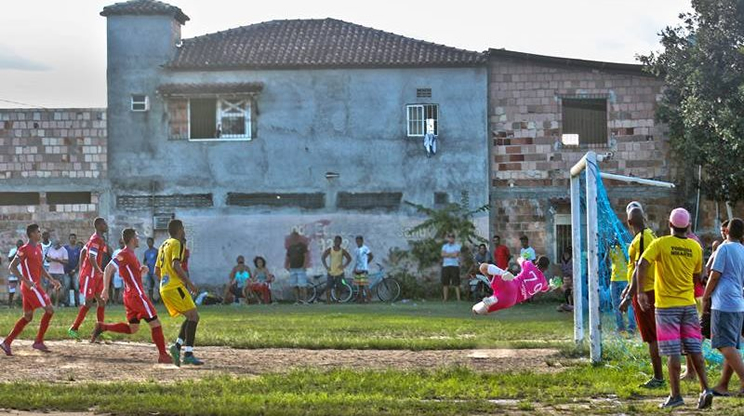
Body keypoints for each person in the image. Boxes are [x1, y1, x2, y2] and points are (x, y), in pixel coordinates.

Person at [637, 208, 713, 410]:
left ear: (670, 225)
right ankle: (706, 389)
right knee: (695, 349)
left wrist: (640, 292)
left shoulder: (660, 243)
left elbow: (642, 264)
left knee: (673, 353)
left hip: (666, 307)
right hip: (688, 305)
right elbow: (700, 274)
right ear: (688, 227)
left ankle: (676, 395)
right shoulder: (695, 247)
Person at [91, 228, 171, 364]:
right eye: (137, 236)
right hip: (137, 296)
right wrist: (105, 289)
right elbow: (109, 268)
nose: (138, 239)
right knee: (155, 323)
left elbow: (130, 275)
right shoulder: (125, 253)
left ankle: (103, 327)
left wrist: (141, 271)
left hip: (129, 296)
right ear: (133, 239)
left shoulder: (131, 254)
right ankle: (163, 355)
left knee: (133, 328)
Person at [619, 206, 664, 389]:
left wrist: (631, 295)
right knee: (651, 335)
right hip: (643, 289)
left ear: (629, 222)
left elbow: (641, 268)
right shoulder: (643, 237)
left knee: (651, 336)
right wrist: (629, 288)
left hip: (646, 292)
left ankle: (659, 378)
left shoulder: (644, 238)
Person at [1, 224, 62, 355]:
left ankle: (7, 342)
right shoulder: (25, 249)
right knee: (50, 310)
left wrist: (52, 280)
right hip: (31, 287)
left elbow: (40, 268)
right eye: (38, 232)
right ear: (32, 234)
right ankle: (38, 341)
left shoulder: (39, 248)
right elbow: (12, 267)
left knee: (28, 317)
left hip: (34, 286)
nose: (40, 234)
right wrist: (25, 280)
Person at [703, 217, 744, 397]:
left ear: (726, 231)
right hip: (738, 304)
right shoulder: (743, 250)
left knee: (723, 344)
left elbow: (714, 275)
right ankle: (723, 385)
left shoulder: (724, 248)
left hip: (723, 303)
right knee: (732, 345)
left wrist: (705, 297)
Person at [156, 219, 203, 366]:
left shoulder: (163, 245)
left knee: (190, 316)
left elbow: (156, 271)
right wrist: (189, 283)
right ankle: (188, 354)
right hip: (175, 286)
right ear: (179, 229)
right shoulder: (176, 243)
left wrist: (166, 281)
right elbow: (176, 265)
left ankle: (177, 347)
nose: (184, 230)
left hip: (164, 288)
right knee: (194, 316)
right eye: (183, 228)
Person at [68, 217, 109, 340]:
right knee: (88, 302)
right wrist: (96, 270)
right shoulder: (96, 239)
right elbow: (91, 257)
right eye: (104, 224)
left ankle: (98, 331)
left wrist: (82, 269)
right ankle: (73, 329)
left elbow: (83, 252)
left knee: (101, 302)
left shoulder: (97, 238)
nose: (106, 225)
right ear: (98, 226)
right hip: (91, 275)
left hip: (94, 275)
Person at [472, 256, 550, 315]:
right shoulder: (543, 282)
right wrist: (553, 285)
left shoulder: (529, 265)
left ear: (536, 263)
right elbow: (547, 289)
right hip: (511, 299)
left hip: (510, 284)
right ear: (546, 268)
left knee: (483, 267)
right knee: (480, 311)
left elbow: (519, 259)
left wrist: (523, 257)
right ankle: (491, 300)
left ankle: (502, 273)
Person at [608, 242, 635, 334]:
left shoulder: (627, 247)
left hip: (625, 279)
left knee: (630, 304)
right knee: (615, 304)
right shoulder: (612, 248)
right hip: (614, 279)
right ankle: (620, 326)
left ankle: (631, 327)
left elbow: (631, 262)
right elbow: (611, 263)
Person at [321, 236, 352, 304]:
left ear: (341, 242)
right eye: (336, 241)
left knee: (339, 287)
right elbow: (323, 257)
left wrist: (344, 266)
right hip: (331, 272)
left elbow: (349, 258)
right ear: (334, 241)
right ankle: (328, 301)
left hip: (339, 272)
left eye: (338, 241)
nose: (337, 242)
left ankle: (337, 300)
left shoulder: (342, 250)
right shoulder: (330, 249)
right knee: (328, 287)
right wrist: (326, 266)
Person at [285, 231, 309, 304]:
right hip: (293, 268)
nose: (294, 238)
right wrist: (287, 265)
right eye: (292, 237)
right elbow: (288, 257)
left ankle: (305, 301)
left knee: (303, 285)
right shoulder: (290, 247)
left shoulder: (302, 246)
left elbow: (305, 256)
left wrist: (305, 265)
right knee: (294, 285)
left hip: (301, 268)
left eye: (295, 236)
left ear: (298, 237)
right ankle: (297, 301)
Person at [46, 240, 68, 307]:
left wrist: (58, 260)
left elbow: (66, 262)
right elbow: (47, 259)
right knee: (49, 287)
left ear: (59, 244)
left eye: (56, 245)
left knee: (58, 288)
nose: (54, 247)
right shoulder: (50, 249)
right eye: (53, 245)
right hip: (51, 271)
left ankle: (56, 303)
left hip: (59, 272)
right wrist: (50, 259)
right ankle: (48, 303)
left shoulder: (64, 250)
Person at [441, 233, 462, 302]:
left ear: (454, 238)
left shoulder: (457, 246)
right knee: (445, 283)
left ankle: (458, 299)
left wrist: (447, 254)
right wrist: (451, 254)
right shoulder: (445, 246)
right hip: (445, 266)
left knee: (456, 282)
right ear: (448, 238)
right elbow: (442, 254)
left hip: (454, 265)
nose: (451, 239)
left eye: (452, 237)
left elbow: (455, 255)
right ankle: (445, 298)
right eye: (449, 237)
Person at [353, 236, 374, 303]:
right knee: (360, 286)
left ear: (362, 241)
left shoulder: (365, 248)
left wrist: (366, 262)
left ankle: (368, 299)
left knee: (365, 285)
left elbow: (371, 256)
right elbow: (356, 260)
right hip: (358, 269)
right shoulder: (356, 250)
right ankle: (361, 299)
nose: (358, 242)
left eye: (359, 241)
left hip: (363, 269)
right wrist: (354, 268)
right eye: (357, 241)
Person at [64, 233, 81, 307]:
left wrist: (75, 270)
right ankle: (67, 303)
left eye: (74, 238)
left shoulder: (78, 249)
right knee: (66, 287)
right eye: (71, 238)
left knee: (76, 287)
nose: (72, 239)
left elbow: (80, 261)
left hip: (75, 271)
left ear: (75, 239)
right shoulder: (65, 248)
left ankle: (77, 302)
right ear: (69, 239)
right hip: (66, 271)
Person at [7, 239, 23, 308]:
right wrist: (17, 252)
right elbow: (10, 259)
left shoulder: (24, 251)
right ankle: (10, 304)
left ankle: (24, 304)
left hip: (22, 273)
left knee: (23, 289)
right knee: (12, 289)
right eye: (18, 244)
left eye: (21, 244)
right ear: (16, 245)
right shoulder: (13, 250)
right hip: (13, 272)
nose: (19, 245)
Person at [142, 237, 159, 303]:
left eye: (150, 242)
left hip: (155, 272)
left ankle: (160, 300)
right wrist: (146, 265)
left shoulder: (156, 251)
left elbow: (159, 260)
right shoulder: (146, 252)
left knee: (157, 286)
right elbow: (144, 261)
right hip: (149, 272)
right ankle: (151, 301)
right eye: (148, 242)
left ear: (153, 242)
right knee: (149, 287)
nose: (149, 243)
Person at [111, 239, 125, 305]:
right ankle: (115, 301)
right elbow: (113, 262)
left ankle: (126, 301)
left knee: (126, 288)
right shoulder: (116, 252)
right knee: (117, 288)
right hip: (117, 272)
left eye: (123, 243)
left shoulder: (127, 251)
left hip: (125, 273)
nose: (122, 244)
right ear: (119, 243)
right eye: (121, 243)